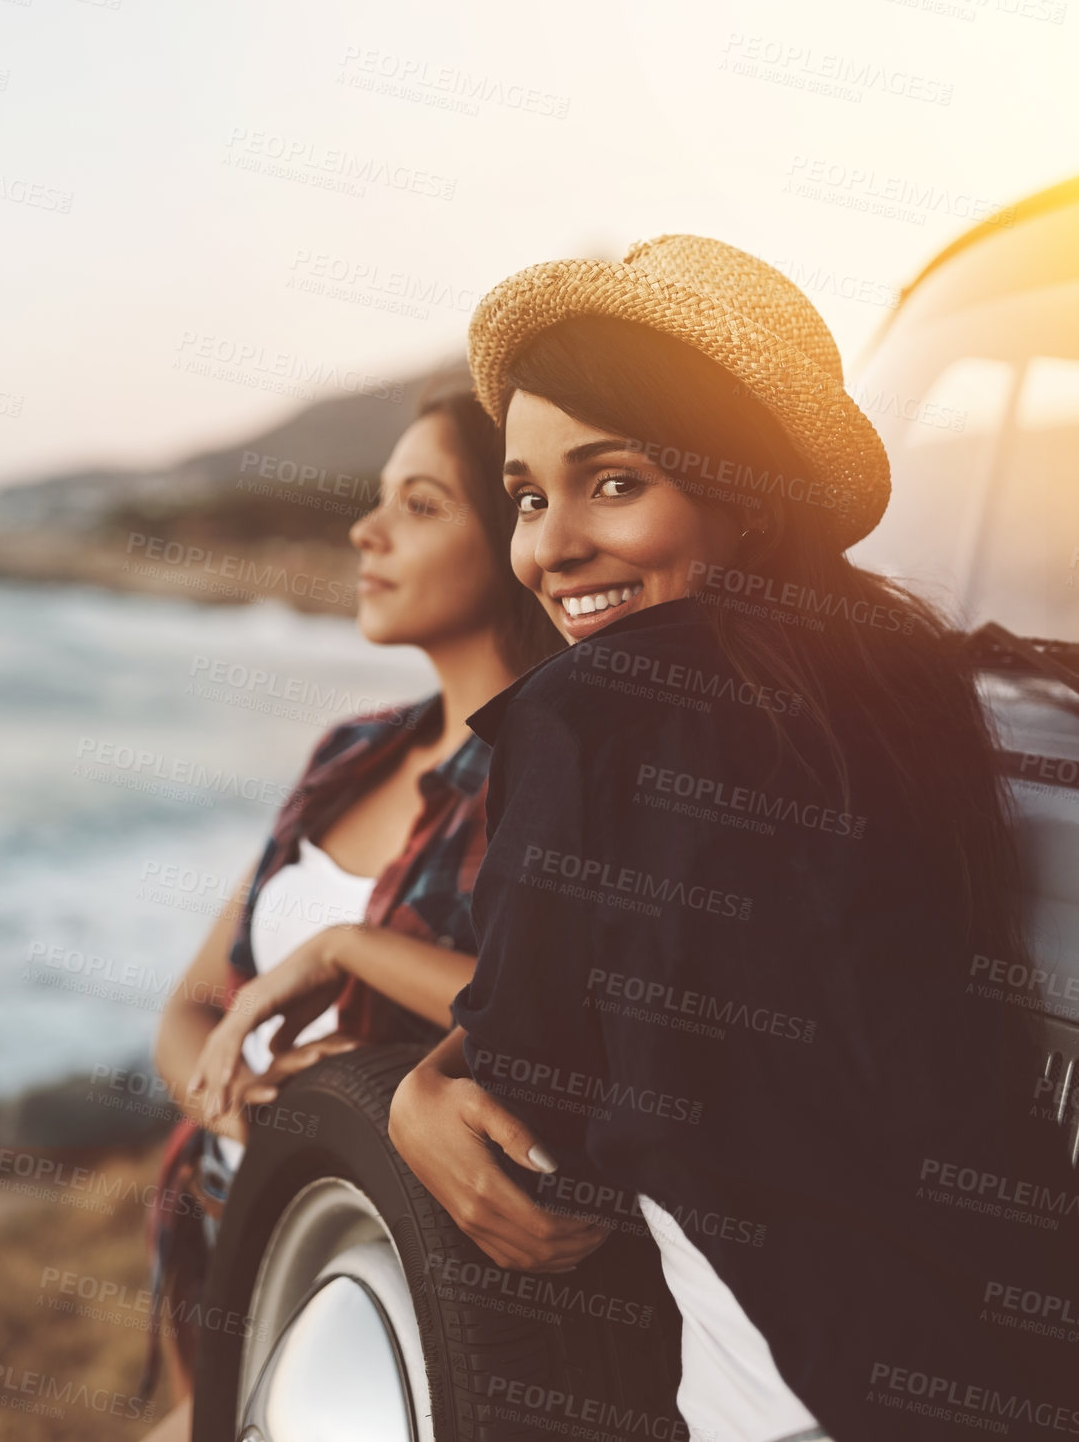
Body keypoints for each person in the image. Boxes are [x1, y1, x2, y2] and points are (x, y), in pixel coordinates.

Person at [386, 236, 1076, 1442]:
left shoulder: (601, 713)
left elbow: (536, 1117)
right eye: (531, 497)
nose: (550, 549)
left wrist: (410, 1079)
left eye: (613, 483)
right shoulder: (904, 683)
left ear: (745, 494)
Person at [139, 387, 560, 1442]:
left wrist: (347, 949)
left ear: (513, 536)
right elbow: (194, 1003)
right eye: (376, 501)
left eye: (418, 505)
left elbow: (550, 1014)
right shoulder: (350, 750)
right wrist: (233, 1099)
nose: (365, 532)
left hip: (382, 1297)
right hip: (232, 1236)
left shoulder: (549, 780)